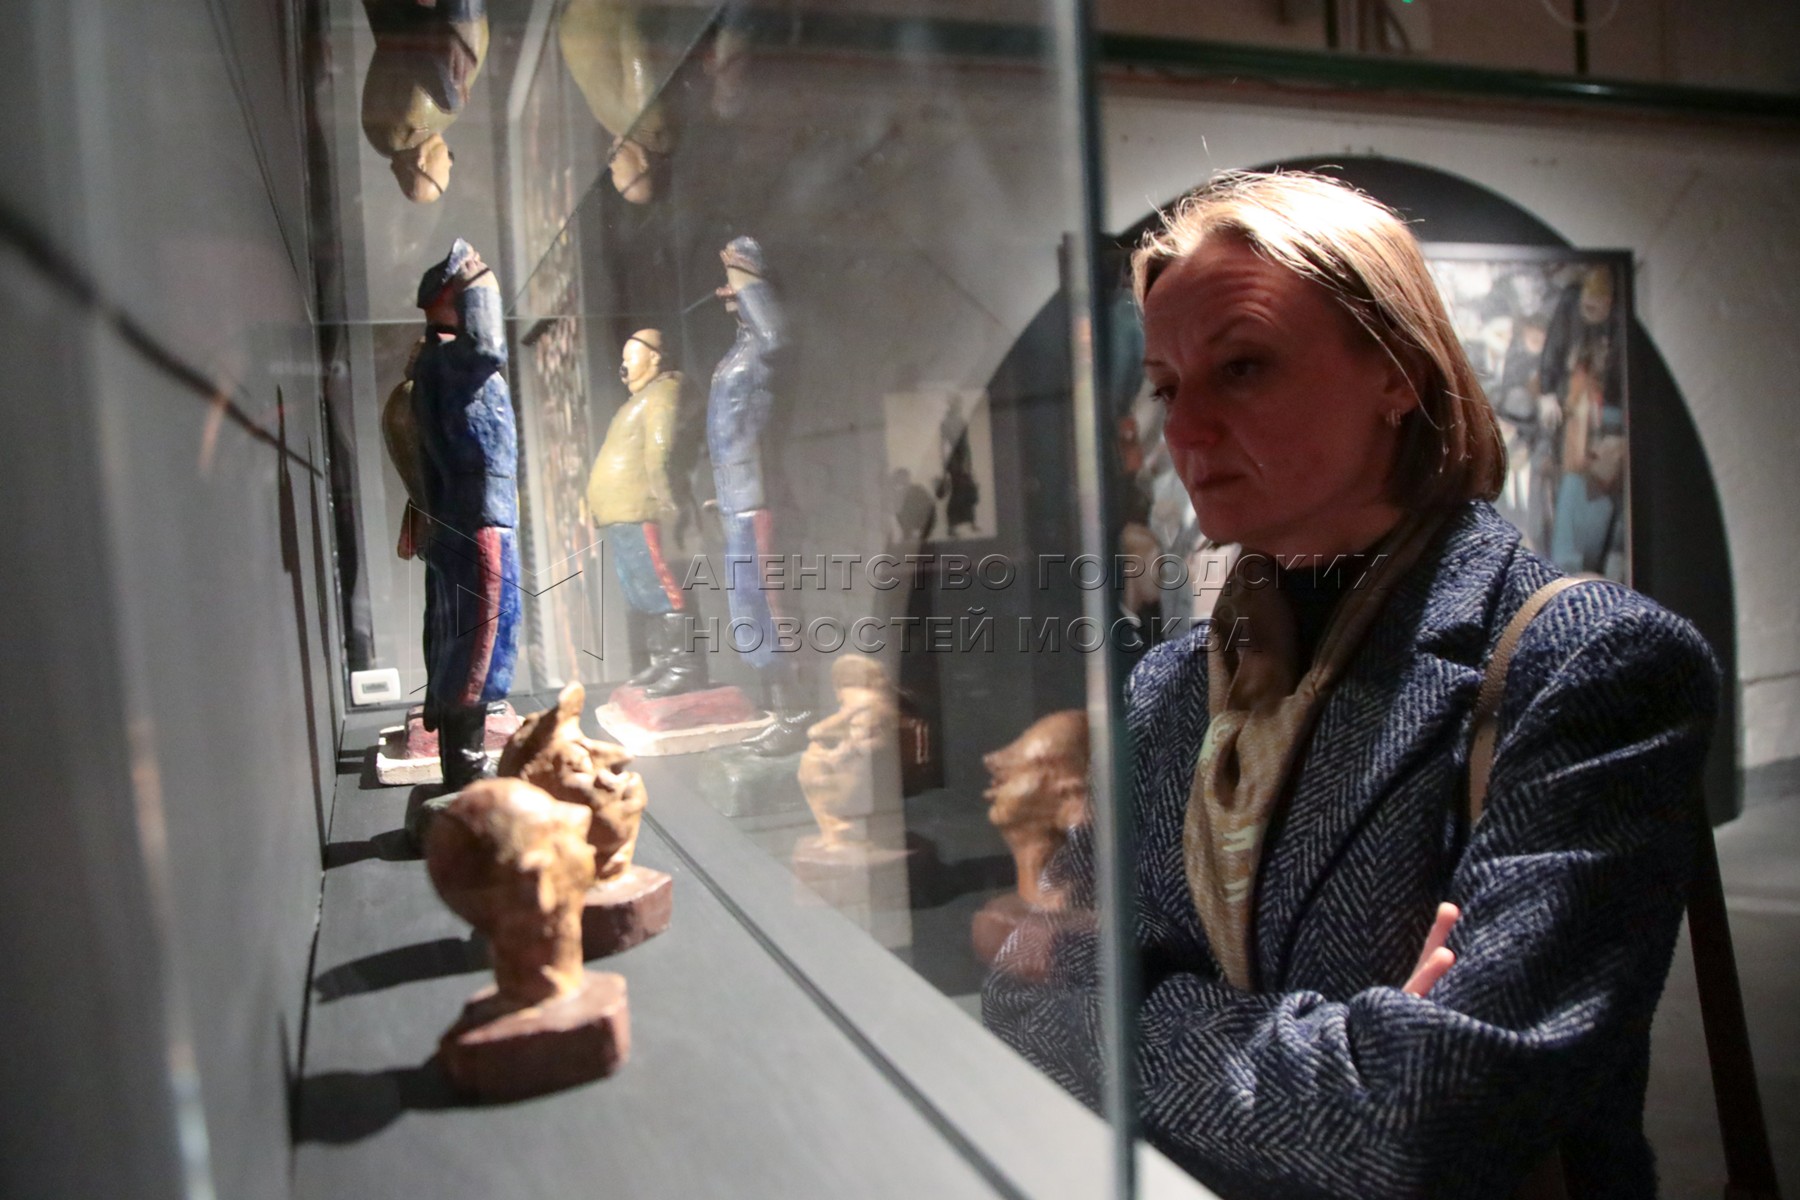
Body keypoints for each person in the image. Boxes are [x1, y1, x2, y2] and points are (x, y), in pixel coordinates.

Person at [983, 172, 1719, 1200]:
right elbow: (1023, 993)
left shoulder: (1588, 665)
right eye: (1167, 387)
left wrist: (1132, 1014)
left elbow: (1429, 1115)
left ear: (1398, 373)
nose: (1186, 432)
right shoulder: (1174, 689)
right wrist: (1341, 1053)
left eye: (1243, 367)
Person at [411, 238, 520, 792]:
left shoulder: (440, 363)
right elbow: (491, 347)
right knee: (481, 642)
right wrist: (481, 288)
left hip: (474, 514)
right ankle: (466, 765)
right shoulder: (456, 361)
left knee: (473, 637)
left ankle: (465, 761)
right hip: (479, 516)